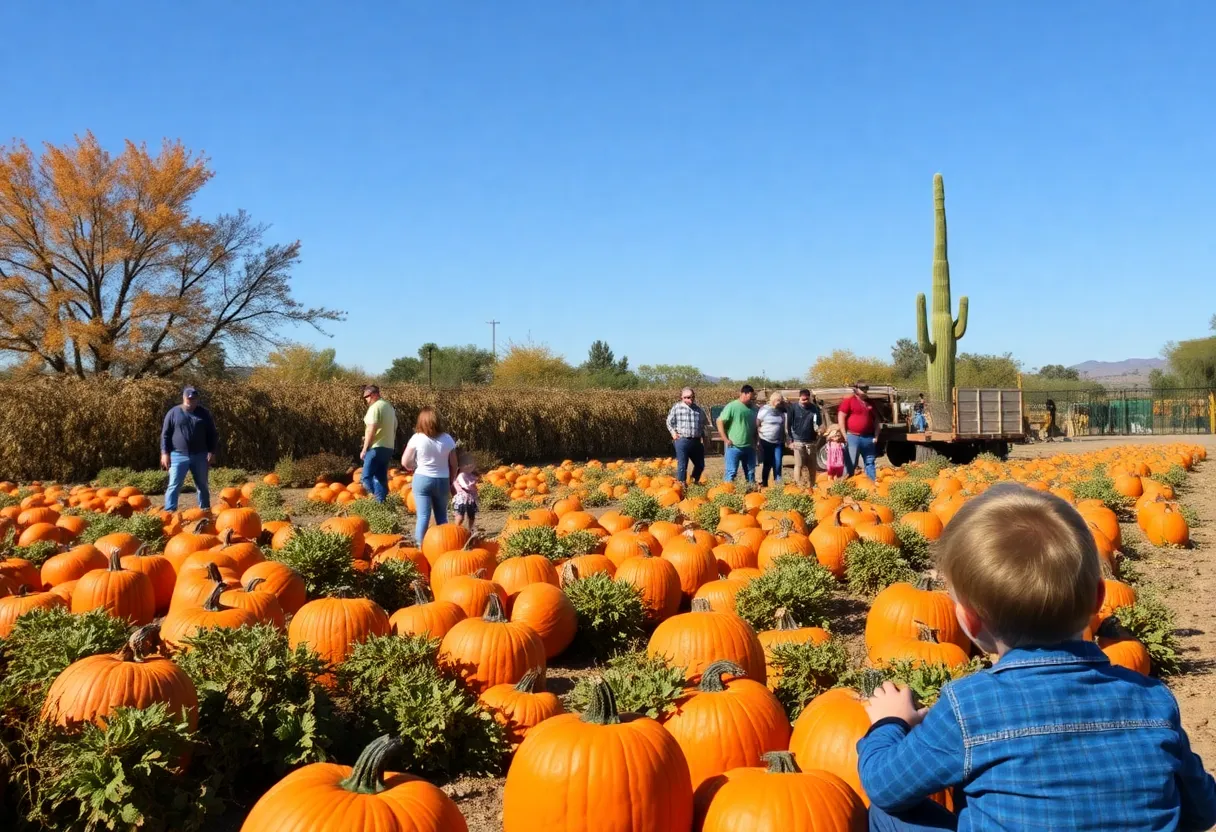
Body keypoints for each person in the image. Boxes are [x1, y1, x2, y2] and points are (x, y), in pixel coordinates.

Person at [859, 484, 1216, 831]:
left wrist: (890, 722)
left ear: (967, 619)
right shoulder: (1152, 700)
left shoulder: (969, 707)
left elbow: (884, 785)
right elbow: (1203, 811)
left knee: (887, 812)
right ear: (1098, 600)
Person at [401, 406, 458, 544]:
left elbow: (405, 461)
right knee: (442, 517)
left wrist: (412, 466)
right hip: (442, 480)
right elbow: (454, 464)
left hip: (422, 479)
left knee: (423, 516)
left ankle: (420, 547)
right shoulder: (447, 439)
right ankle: (445, 545)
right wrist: (451, 480)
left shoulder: (417, 438)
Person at [160, 386, 218, 513]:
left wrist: (212, 452)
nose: (191, 401)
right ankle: (169, 512)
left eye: (194, 399)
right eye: (189, 398)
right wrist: (164, 453)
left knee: (202, 485)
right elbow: (165, 434)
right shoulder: (173, 412)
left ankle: (205, 511)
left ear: (197, 399)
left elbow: (212, 434)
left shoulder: (204, 413)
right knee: (174, 485)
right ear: (184, 398)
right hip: (178, 455)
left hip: (200, 455)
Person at [359, 385, 397, 503]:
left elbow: (372, 428)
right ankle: (381, 504)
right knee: (380, 477)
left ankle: (372, 501)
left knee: (365, 477)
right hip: (388, 447)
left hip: (376, 447)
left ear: (375, 394)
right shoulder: (389, 407)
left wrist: (364, 448)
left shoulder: (375, 407)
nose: (366, 400)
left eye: (367, 396)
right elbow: (394, 425)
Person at [665, 387, 711, 484]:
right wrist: (673, 433)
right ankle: (681, 485)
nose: (689, 399)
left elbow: (703, 426)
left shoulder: (698, 410)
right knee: (682, 465)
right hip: (682, 440)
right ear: (681, 397)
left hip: (696, 441)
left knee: (700, 465)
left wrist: (705, 439)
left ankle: (694, 481)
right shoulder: (677, 407)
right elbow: (669, 422)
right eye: (686, 397)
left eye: (691, 397)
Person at [837, 379, 880, 481]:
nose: (865, 391)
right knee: (850, 463)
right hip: (853, 437)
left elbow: (877, 420)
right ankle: (846, 486)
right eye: (862, 388)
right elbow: (841, 416)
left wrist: (876, 435)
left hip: (868, 437)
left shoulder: (870, 402)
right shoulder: (849, 400)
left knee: (870, 462)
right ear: (856, 389)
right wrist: (844, 434)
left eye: (866, 388)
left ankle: (872, 484)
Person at [716, 385, 758, 484]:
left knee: (751, 473)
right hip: (734, 446)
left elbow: (756, 426)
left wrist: (756, 441)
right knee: (731, 472)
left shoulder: (754, 408)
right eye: (750, 396)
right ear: (744, 393)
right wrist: (725, 439)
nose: (751, 399)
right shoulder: (732, 406)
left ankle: (751, 493)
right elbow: (719, 421)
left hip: (749, 447)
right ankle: (727, 494)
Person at [787, 388, 823, 487]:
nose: (804, 402)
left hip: (811, 440)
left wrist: (819, 429)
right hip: (797, 440)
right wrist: (790, 440)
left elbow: (818, 423)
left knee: (812, 465)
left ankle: (812, 485)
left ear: (809, 398)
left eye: (806, 399)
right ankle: (798, 485)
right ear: (799, 398)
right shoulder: (792, 408)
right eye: (803, 400)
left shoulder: (814, 408)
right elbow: (788, 425)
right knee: (799, 464)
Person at [756, 392, 787, 487]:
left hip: (778, 442)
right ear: (773, 401)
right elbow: (757, 423)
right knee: (767, 463)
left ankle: (778, 484)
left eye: (781, 400)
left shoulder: (782, 411)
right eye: (778, 400)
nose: (780, 402)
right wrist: (758, 437)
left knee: (778, 463)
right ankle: (764, 483)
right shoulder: (764, 410)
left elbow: (784, 425)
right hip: (766, 441)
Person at [452, 451, 479, 532]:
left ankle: (470, 530)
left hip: (470, 500)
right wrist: (474, 485)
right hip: (462, 500)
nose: (470, 466)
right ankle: (455, 531)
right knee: (460, 517)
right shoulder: (461, 475)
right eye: (467, 464)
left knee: (472, 516)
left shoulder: (470, 475)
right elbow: (467, 486)